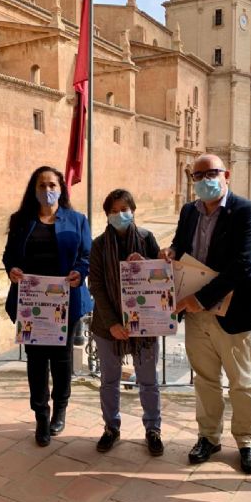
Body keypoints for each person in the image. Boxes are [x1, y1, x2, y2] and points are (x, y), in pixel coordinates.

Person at [162, 154, 251, 474]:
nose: (205, 179)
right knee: (205, 379)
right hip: (194, 313)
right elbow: (181, 244)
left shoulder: (248, 211)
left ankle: (247, 441)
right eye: (198, 175)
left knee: (242, 381)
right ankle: (208, 437)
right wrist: (171, 252)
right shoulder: (188, 211)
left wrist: (202, 298)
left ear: (227, 175)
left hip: (231, 309)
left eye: (211, 173)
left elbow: (244, 263)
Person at [3, 166, 91, 447]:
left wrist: (80, 272)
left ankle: (60, 408)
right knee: (36, 361)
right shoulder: (20, 220)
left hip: (66, 302)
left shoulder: (77, 220)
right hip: (32, 303)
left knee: (62, 360)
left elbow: (86, 256)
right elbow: (8, 257)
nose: (47, 190)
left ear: (61, 188)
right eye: (41, 185)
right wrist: (12, 269)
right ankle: (41, 415)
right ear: (34, 189)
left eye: (52, 184)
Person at [89, 189, 163, 456]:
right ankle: (111, 427)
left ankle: (153, 429)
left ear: (133, 210)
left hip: (143, 324)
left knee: (148, 381)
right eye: (114, 210)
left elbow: (162, 276)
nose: (120, 214)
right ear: (107, 214)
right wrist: (111, 324)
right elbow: (96, 286)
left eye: (124, 209)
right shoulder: (98, 245)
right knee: (109, 380)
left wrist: (146, 264)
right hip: (107, 326)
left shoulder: (146, 238)